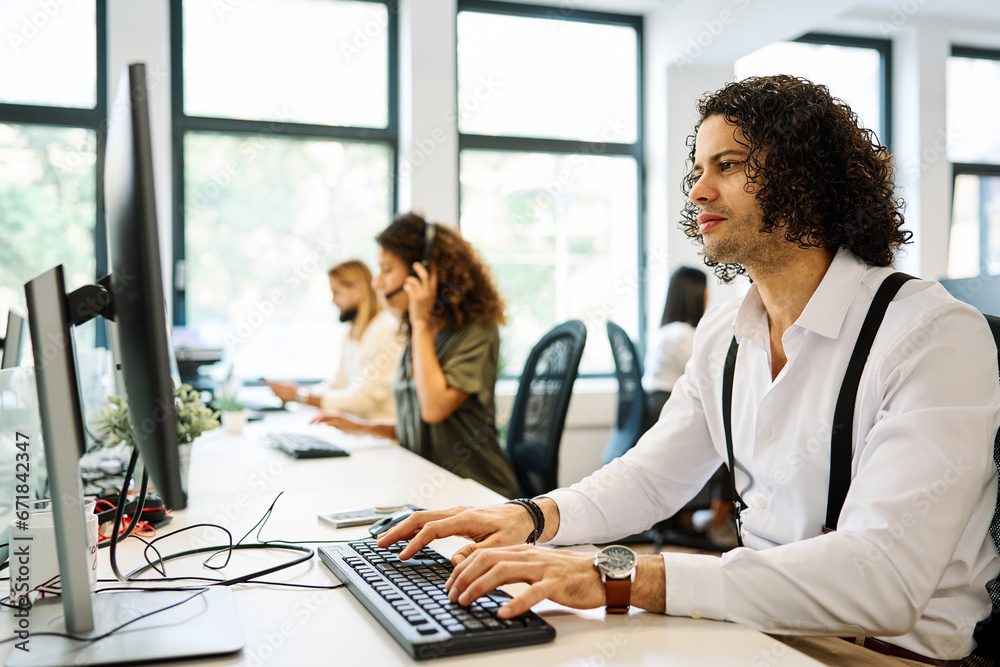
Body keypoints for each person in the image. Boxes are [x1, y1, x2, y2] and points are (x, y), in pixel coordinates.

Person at [376, 76, 1000, 666]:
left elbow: (883, 580)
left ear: (807, 181)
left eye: (727, 166)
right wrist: (532, 517)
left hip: (882, 654)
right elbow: (652, 479)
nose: (698, 191)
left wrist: (620, 577)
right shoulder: (725, 331)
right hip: (764, 630)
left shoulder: (931, 334)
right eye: (697, 170)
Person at [311, 213, 518, 499]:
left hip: (479, 494)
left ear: (423, 273)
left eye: (386, 270)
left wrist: (421, 321)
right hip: (430, 485)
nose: (377, 283)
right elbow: (419, 428)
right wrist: (362, 428)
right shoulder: (419, 333)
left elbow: (434, 409)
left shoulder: (476, 331)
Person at [264, 260, 401, 420]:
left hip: (380, 436)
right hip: (356, 429)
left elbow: (361, 400)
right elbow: (338, 384)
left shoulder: (386, 329)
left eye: (336, 292)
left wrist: (300, 397)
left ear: (359, 289)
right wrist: (299, 391)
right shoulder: (353, 333)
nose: (333, 301)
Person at [642, 265, 708, 426]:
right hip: (666, 404)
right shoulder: (681, 335)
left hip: (655, 402)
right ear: (696, 294)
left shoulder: (667, 331)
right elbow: (705, 373)